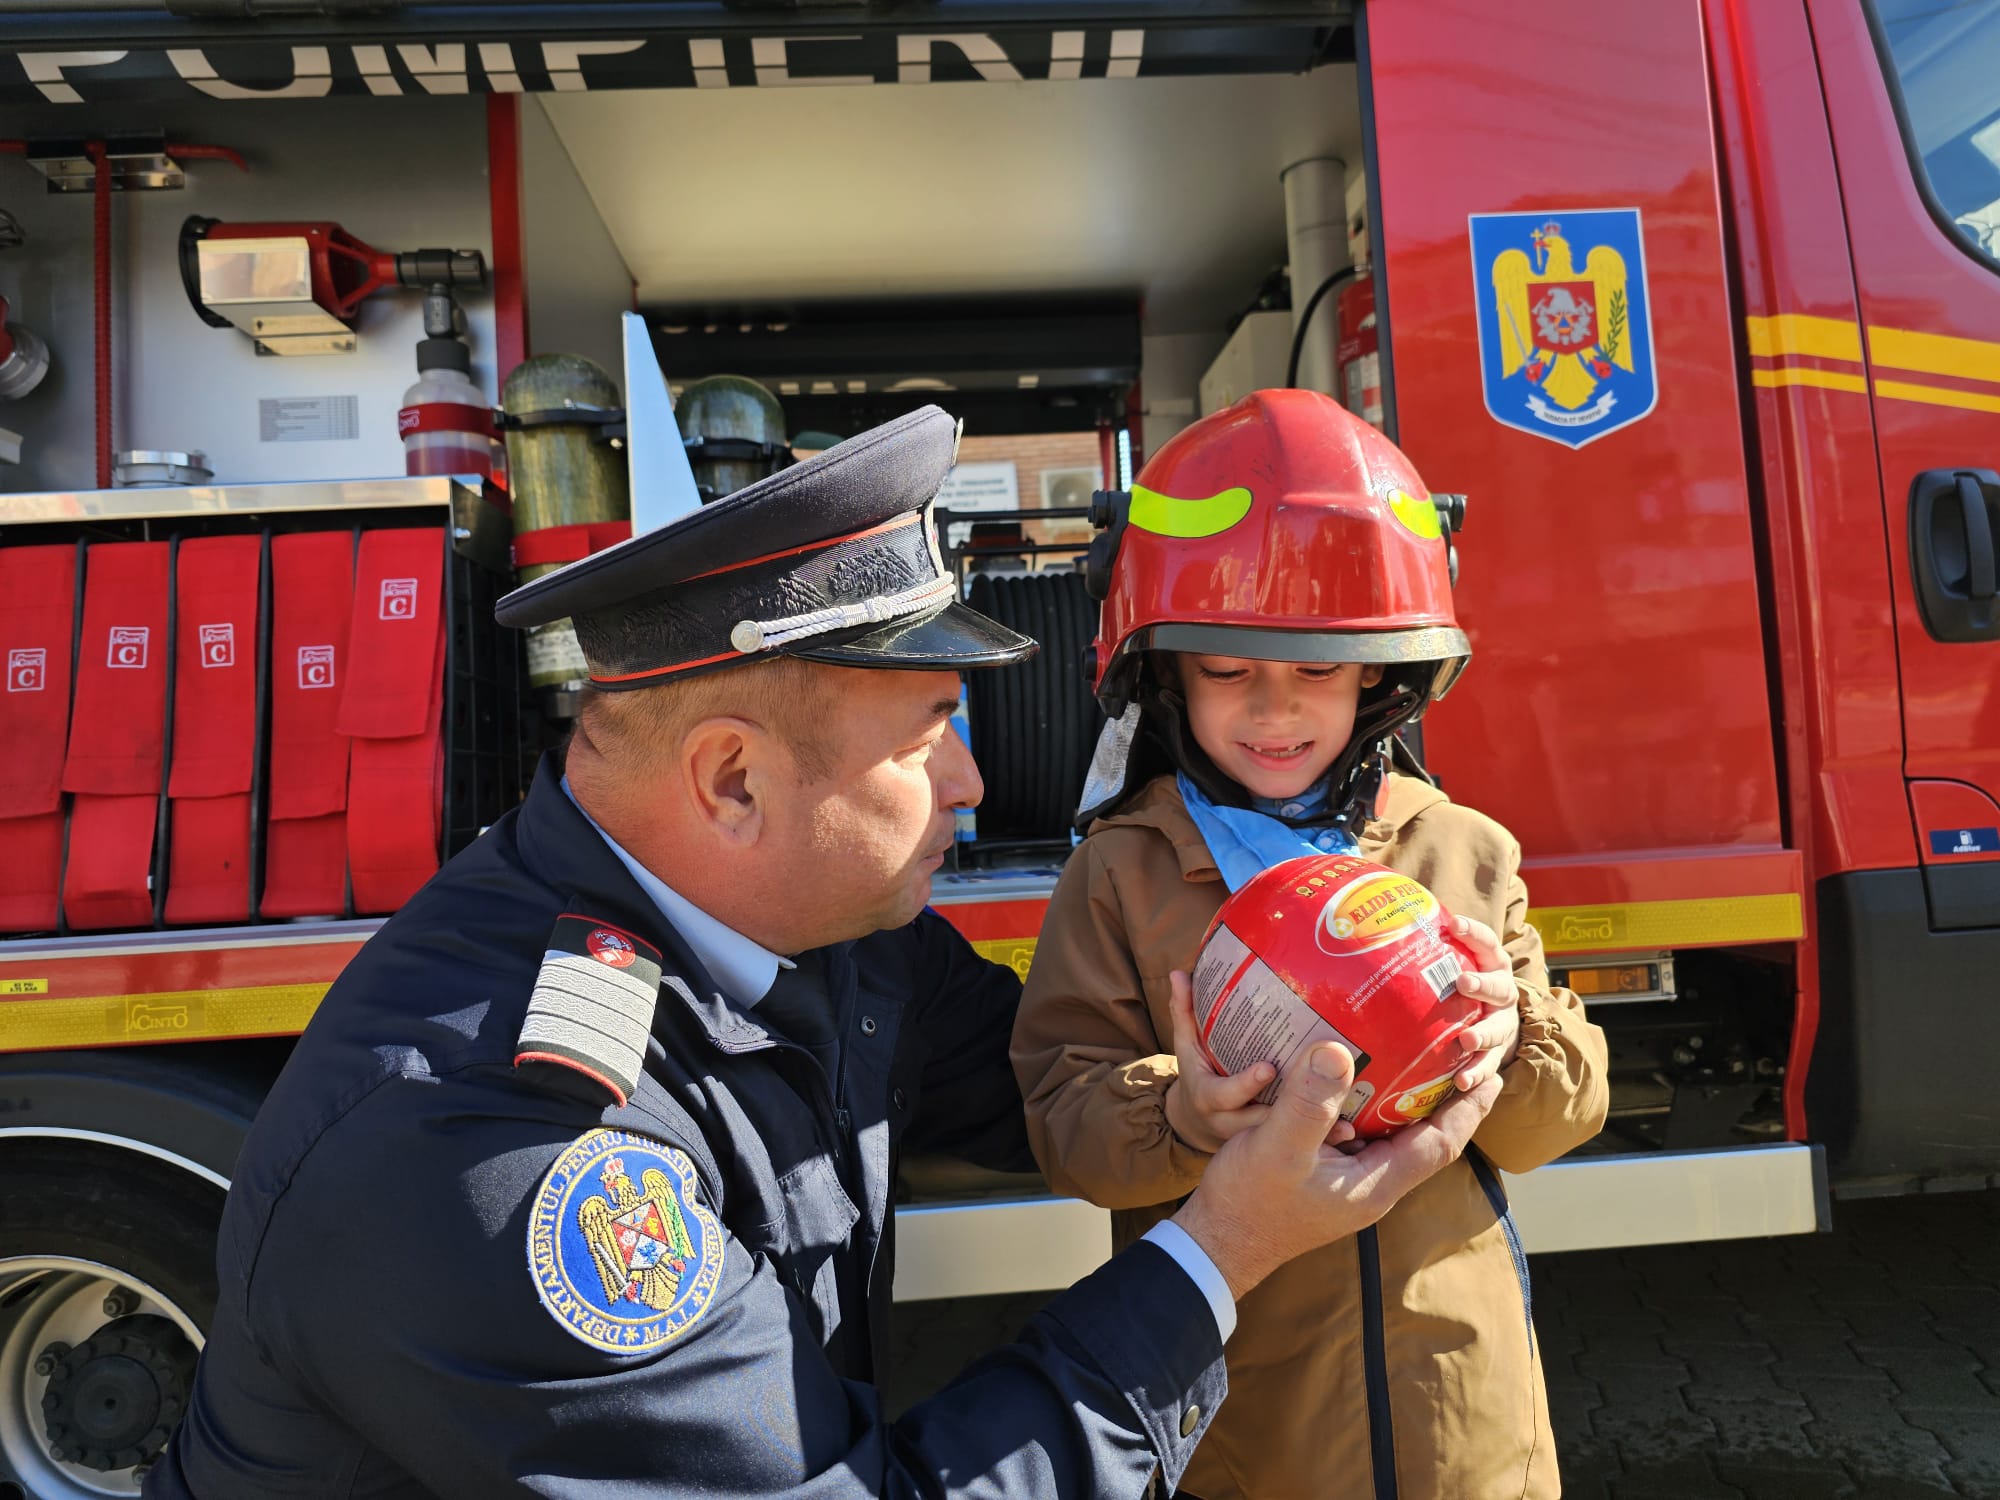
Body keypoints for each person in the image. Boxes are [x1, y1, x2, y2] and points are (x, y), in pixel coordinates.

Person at [147, 404, 1500, 1499]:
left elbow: (1036, 1087)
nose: (973, 783)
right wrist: (1220, 1252)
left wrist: (1237, 1077)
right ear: (733, 781)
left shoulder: (834, 941)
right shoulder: (491, 1152)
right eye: (927, 735)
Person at [1012, 389, 1610, 1500]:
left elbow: (1555, 1124)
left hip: (1465, 1433)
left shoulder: (1460, 851)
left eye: (1317, 670)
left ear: (1381, 672)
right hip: (1243, 1434)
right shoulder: (1123, 874)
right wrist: (1180, 1114)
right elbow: (1064, 1125)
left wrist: (1510, 1036)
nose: (1274, 710)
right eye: (1227, 670)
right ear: (1163, 674)